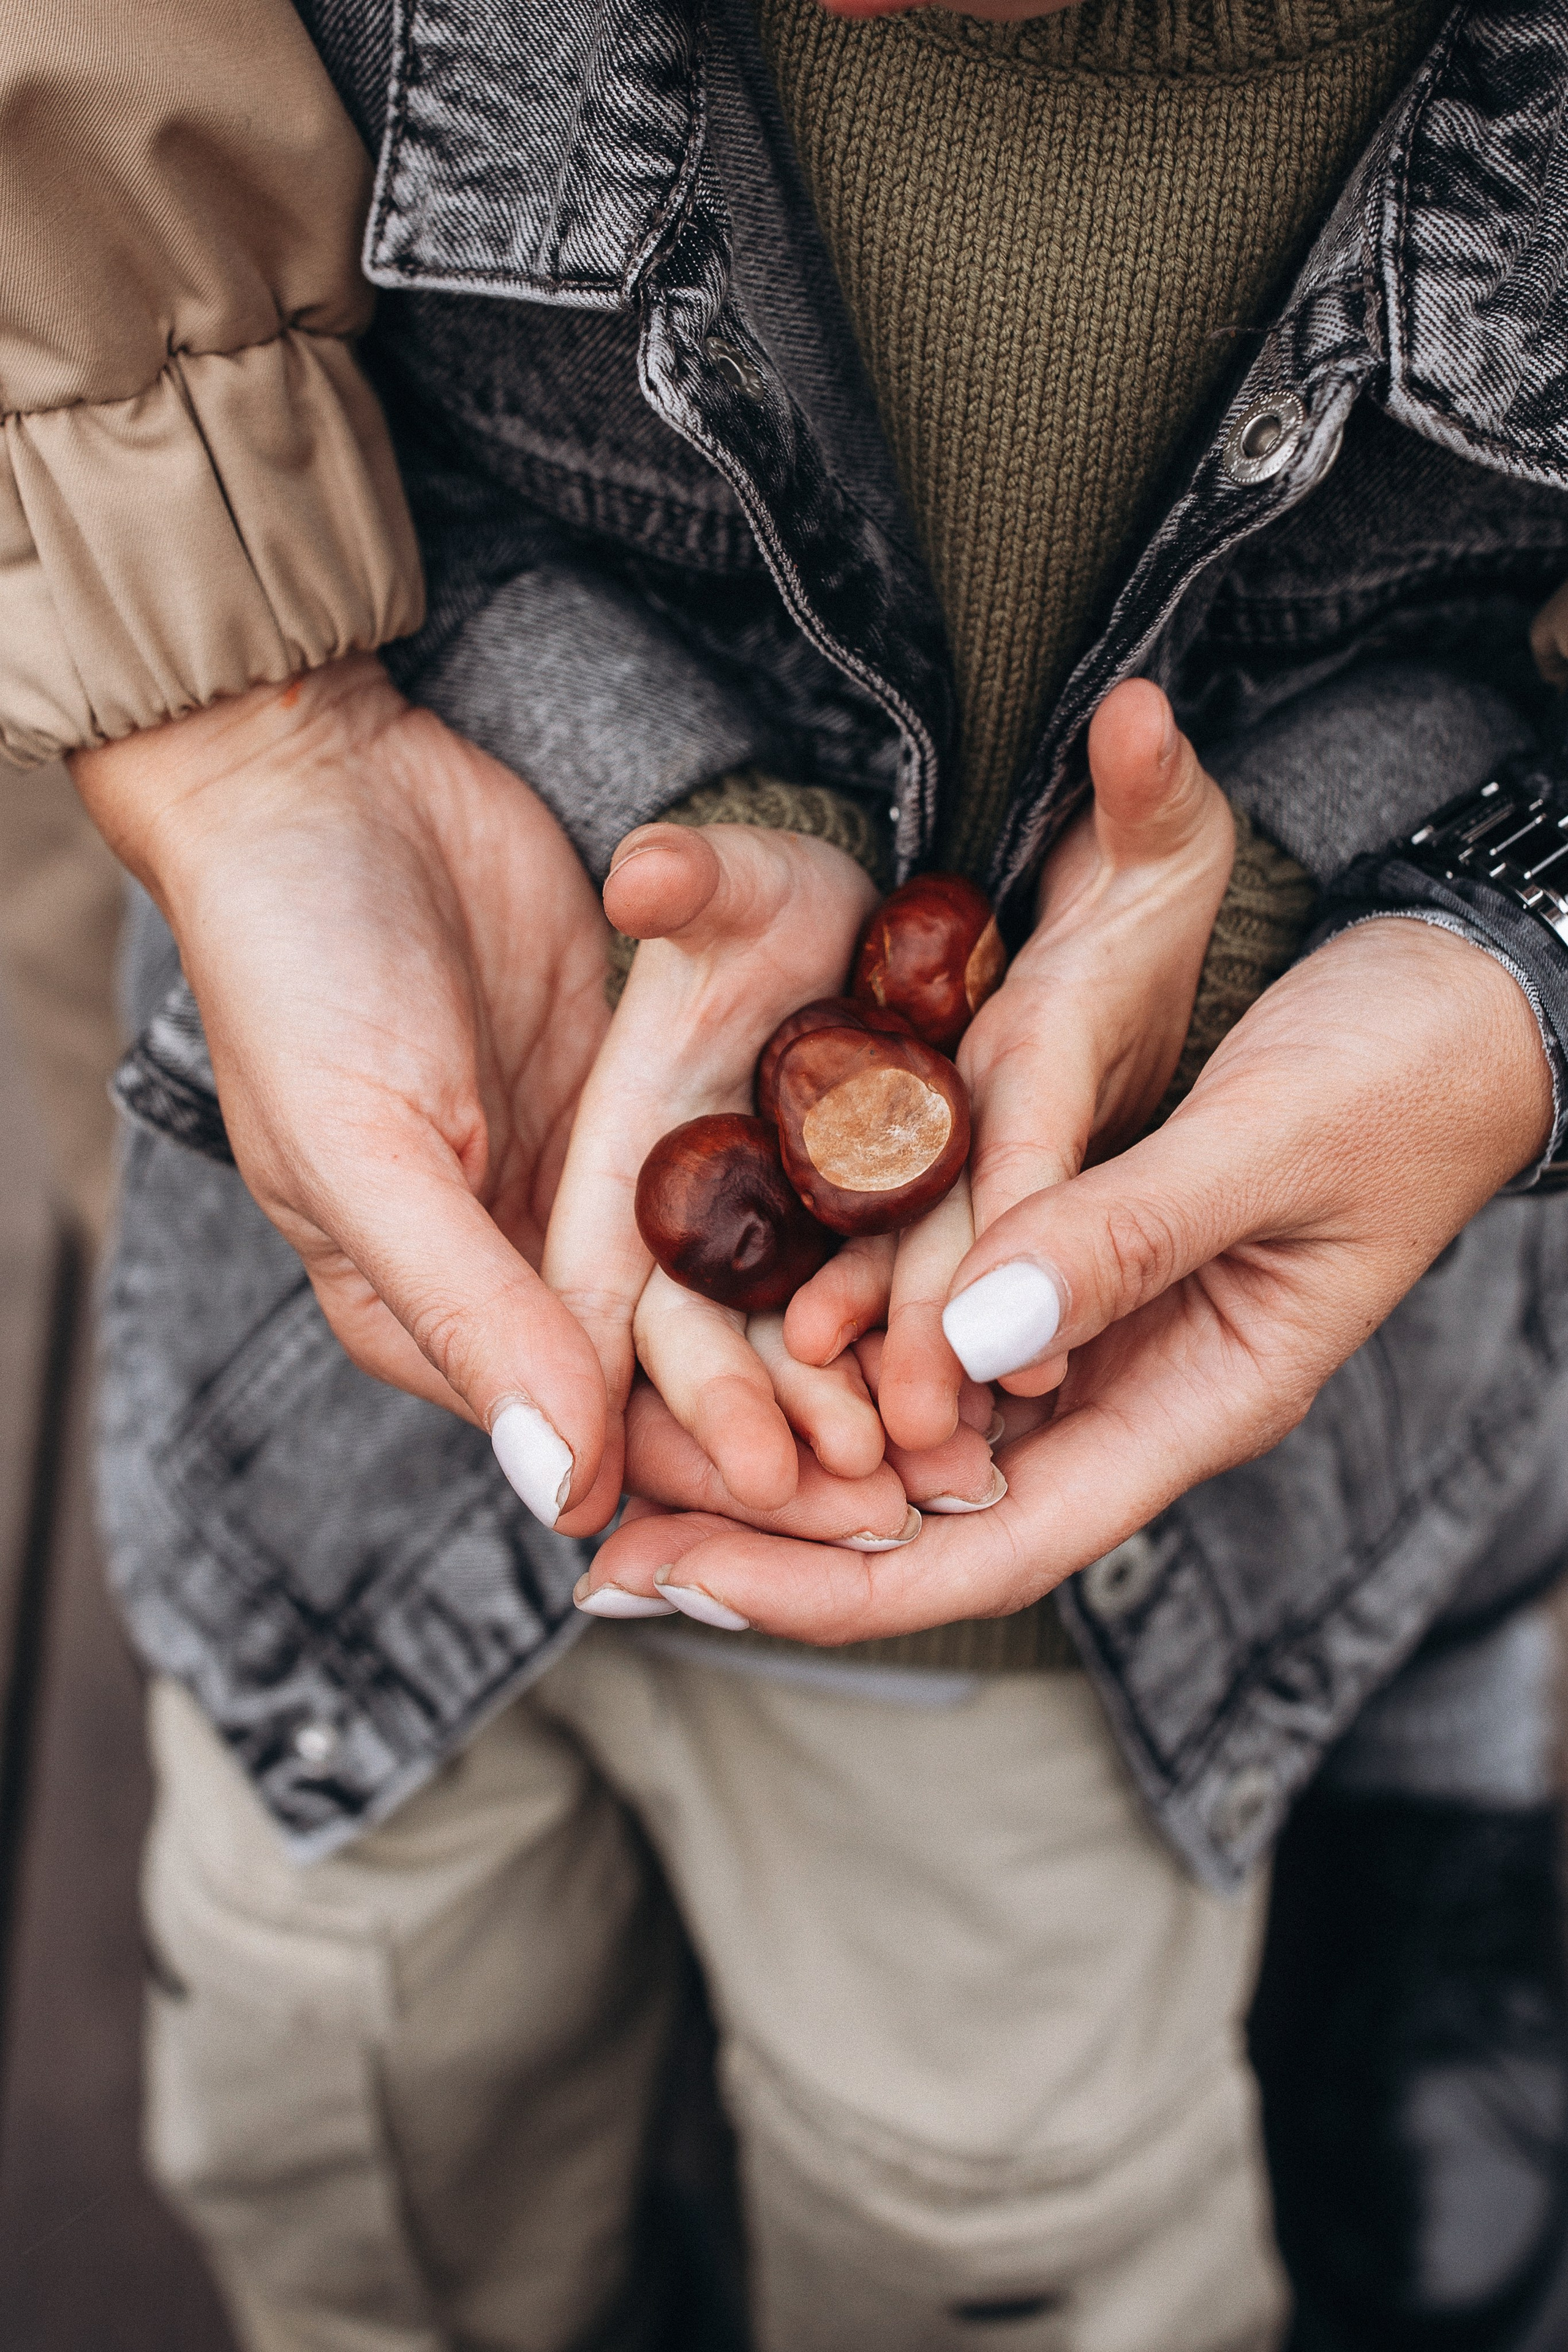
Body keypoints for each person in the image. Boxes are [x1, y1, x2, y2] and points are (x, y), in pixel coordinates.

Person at [5, 0, 1568, 2344]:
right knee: (364, 2085)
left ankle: (1448, 1732)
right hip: (344, 1336)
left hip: (1105, 1541)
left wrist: (1502, 947)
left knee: (982, 2202)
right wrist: (241, 734)